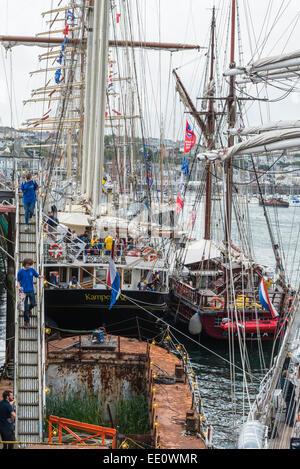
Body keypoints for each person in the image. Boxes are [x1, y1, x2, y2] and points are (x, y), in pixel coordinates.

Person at [17, 258, 44, 327]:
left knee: (33, 303)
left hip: (31, 290)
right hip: (23, 292)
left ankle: (29, 309)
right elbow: (18, 281)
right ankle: (26, 322)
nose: (29, 266)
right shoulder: (20, 272)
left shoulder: (32, 270)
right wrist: (19, 287)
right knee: (25, 309)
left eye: (30, 265)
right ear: (24, 264)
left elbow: (37, 275)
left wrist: (40, 276)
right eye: (28, 265)